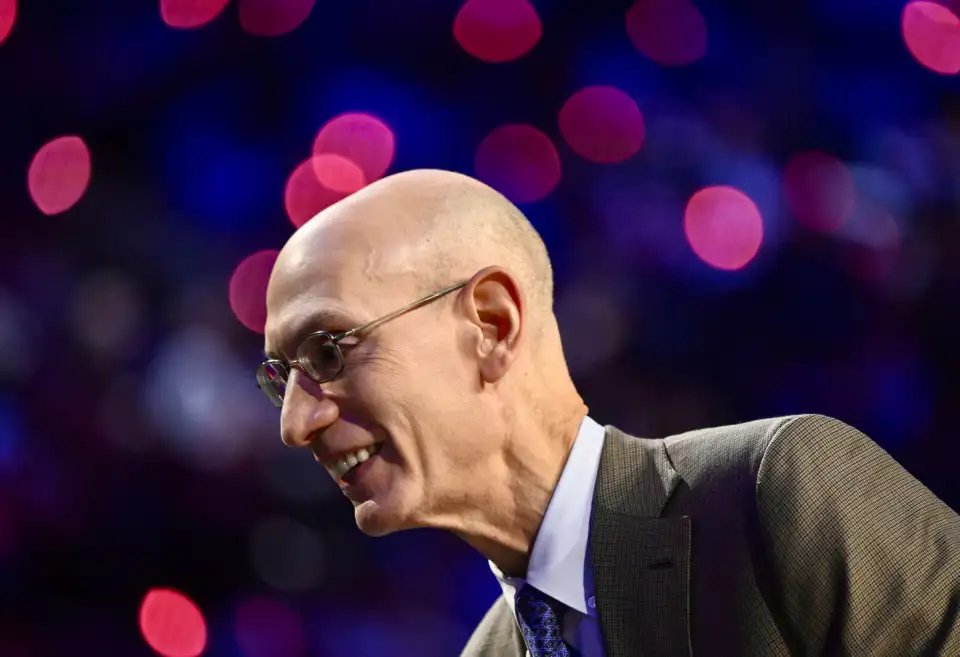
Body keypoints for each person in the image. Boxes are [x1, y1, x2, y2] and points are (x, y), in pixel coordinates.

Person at [257, 169, 960, 657]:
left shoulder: (776, 492)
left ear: (493, 326)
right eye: (280, 375)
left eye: (327, 351)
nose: (295, 422)